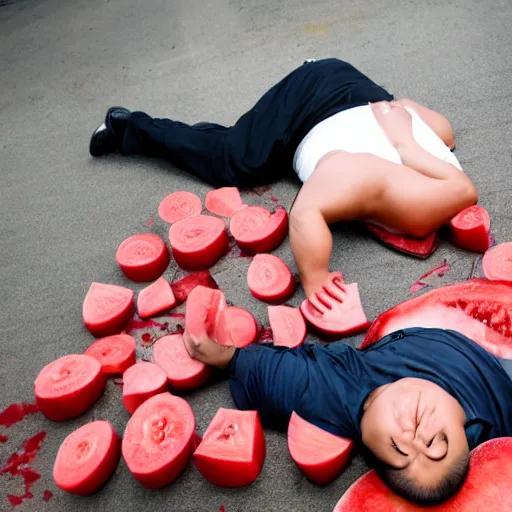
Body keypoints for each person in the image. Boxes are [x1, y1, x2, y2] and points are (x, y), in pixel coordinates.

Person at [89, 58, 478, 312]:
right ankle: (126, 126)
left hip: (361, 95)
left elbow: (460, 181)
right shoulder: (358, 177)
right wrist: (315, 275)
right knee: (235, 159)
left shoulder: (434, 154)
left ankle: (346, 91)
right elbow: (305, 213)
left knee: (435, 129)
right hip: (306, 105)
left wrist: (405, 139)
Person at [182, 319, 512, 506]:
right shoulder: (491, 424)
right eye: (436, 445)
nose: (416, 438)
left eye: (401, 451)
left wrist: (222, 355)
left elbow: (262, 370)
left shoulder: (331, 390)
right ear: (467, 429)